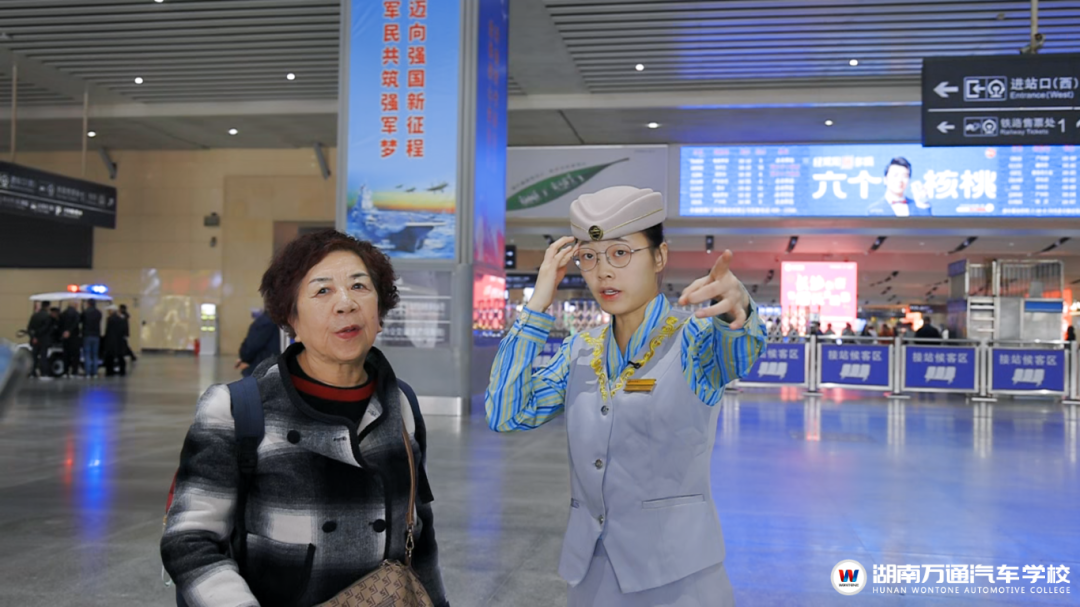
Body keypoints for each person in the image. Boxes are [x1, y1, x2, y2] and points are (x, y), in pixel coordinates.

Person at [485, 186, 765, 607]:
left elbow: (738, 352)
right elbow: (506, 413)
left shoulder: (694, 340)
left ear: (659, 256)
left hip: (678, 578)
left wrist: (735, 311)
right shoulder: (579, 349)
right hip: (590, 574)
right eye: (589, 257)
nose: (603, 272)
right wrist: (537, 305)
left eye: (620, 253)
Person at [162, 229, 447, 607]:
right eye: (322, 290)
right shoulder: (236, 409)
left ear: (380, 312)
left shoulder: (400, 403)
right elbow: (190, 539)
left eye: (359, 286)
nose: (346, 304)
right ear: (291, 318)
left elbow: (420, 531)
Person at [867, 157, 932, 217]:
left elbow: (928, 224)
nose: (900, 180)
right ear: (885, 180)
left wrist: (923, 203)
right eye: (895, 175)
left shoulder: (919, 206)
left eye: (905, 176)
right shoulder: (874, 210)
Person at [236, 309, 282, 377]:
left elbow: (251, 345)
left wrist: (244, 359)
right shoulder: (274, 321)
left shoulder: (265, 321)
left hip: (260, 367)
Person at [26, 300, 54, 378]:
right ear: (48, 306)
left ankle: (32, 372)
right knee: (43, 357)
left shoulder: (34, 316)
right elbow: (46, 328)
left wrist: (33, 337)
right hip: (43, 340)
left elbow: (29, 328)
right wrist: (38, 336)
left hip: (35, 341)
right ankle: (43, 373)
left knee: (34, 356)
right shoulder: (48, 317)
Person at [81, 299, 103, 379]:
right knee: (95, 354)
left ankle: (88, 373)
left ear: (88, 304)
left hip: (87, 335)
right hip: (96, 335)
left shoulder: (85, 312)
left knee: (87, 354)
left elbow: (81, 320)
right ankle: (95, 373)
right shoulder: (99, 313)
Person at [102, 306, 127, 377]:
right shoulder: (121, 319)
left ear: (112, 311)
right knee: (120, 356)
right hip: (119, 340)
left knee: (110, 356)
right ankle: (122, 371)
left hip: (111, 340)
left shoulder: (110, 319)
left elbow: (108, 330)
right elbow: (123, 330)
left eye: (109, 311)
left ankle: (110, 371)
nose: (108, 312)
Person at [59, 301, 82, 378]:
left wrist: (64, 332)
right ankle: (74, 371)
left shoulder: (63, 314)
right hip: (74, 336)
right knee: (75, 355)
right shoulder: (76, 314)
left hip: (65, 337)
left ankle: (65, 371)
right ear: (75, 305)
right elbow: (76, 323)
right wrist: (69, 331)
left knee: (66, 354)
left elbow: (60, 324)